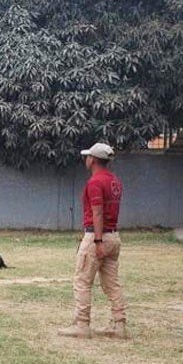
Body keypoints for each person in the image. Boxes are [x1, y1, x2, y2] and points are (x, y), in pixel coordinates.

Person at [58, 143, 127, 339]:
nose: (86, 159)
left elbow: (97, 212)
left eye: (88, 156)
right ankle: (119, 324)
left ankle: (82, 324)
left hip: (98, 235)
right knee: (112, 283)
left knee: (82, 280)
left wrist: (97, 241)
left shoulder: (95, 182)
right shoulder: (115, 181)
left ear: (93, 160)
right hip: (114, 236)